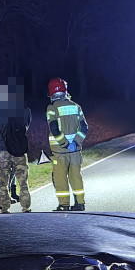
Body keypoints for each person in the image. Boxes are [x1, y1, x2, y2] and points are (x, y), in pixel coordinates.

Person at [0, 79, 32, 213]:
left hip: (2, 151)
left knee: (3, 183)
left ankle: (5, 209)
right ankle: (26, 207)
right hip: (19, 151)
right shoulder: (25, 110)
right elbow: (26, 127)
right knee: (23, 181)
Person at [45, 77, 88, 211]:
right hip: (75, 152)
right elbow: (84, 128)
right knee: (76, 177)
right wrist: (75, 142)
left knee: (60, 179)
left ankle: (64, 205)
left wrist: (64, 143)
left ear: (51, 92)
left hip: (60, 152)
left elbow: (54, 128)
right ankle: (80, 204)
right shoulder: (76, 106)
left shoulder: (52, 108)